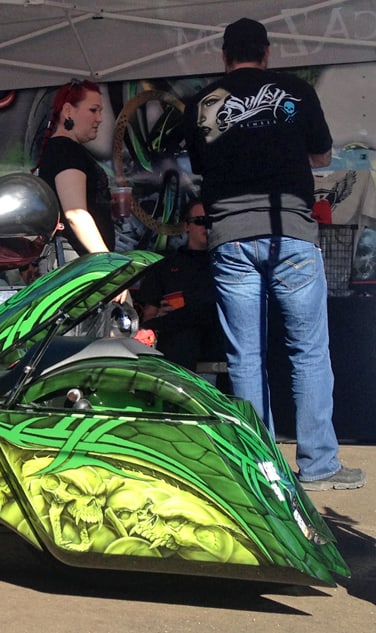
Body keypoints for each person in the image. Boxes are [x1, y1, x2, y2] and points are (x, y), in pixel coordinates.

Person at [182, 18, 364, 491]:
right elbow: (322, 157)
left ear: (224, 56)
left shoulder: (203, 102)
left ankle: (261, 472)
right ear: (266, 53)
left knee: (245, 358)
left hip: (230, 235)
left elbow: (202, 164)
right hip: (292, 234)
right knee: (308, 352)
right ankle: (320, 466)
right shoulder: (294, 92)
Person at [134, 200, 226, 374]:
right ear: (187, 226)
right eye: (200, 221)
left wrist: (165, 320)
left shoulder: (229, 262)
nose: (205, 227)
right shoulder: (165, 266)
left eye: (210, 221)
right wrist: (157, 321)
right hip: (179, 341)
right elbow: (149, 314)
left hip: (217, 336)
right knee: (181, 335)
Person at [35, 79, 117, 261]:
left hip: (80, 261)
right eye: (93, 110)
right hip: (77, 264)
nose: (99, 118)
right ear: (68, 111)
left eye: (101, 111)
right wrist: (107, 263)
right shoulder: (66, 150)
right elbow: (75, 214)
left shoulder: (64, 149)